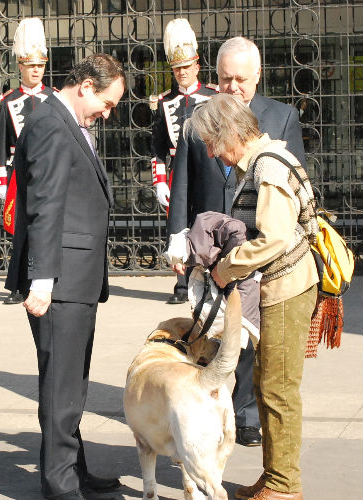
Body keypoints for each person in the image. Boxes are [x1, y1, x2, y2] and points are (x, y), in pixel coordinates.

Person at [167, 36, 307, 447]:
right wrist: (179, 239)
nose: (233, 87)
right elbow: (183, 183)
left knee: (249, 329)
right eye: (225, 78)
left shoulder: (281, 117)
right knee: (211, 329)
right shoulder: (199, 118)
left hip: (259, 240)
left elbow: (295, 184)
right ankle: (208, 407)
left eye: (241, 79)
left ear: (257, 76)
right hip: (209, 243)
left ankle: (245, 414)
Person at [5, 53, 126, 500]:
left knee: (72, 384)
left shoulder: (66, 120)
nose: (108, 113)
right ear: (87, 87)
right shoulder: (53, 123)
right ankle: (59, 486)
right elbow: (45, 204)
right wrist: (42, 280)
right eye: (107, 103)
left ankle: (72, 470)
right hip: (60, 281)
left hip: (76, 278)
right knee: (60, 387)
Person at [186, 92, 319, 500]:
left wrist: (226, 269)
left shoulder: (268, 167)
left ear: (229, 134)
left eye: (211, 142)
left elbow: (274, 238)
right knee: (266, 383)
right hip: (281, 287)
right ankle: (275, 474)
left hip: (287, 288)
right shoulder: (263, 161)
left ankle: (284, 485)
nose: (210, 153)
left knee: (277, 388)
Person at [150, 18, 217, 304]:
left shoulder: (213, 95)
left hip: (207, 167)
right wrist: (160, 180)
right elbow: (157, 147)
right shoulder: (164, 102)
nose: (182, 73)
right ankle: (181, 286)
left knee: (207, 220)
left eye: (186, 67)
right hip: (178, 170)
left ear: (197, 66)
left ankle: (211, 275)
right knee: (179, 224)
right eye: (177, 69)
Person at [0, 17, 55, 305]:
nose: (36, 71)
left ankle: (45, 280)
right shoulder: (8, 101)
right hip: (20, 176)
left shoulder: (54, 97)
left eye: (40, 66)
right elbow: (1, 146)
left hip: (49, 173)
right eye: (31, 66)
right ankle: (19, 285)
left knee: (47, 227)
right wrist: (1, 181)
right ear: (20, 67)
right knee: (21, 232)